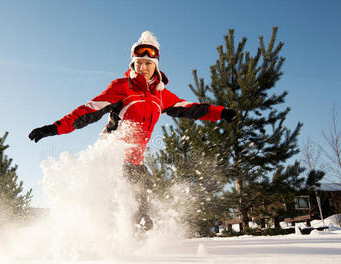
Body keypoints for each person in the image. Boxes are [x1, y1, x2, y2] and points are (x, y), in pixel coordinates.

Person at [29, 31, 236, 230]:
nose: (143, 68)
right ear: (133, 64)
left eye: (148, 63)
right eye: (139, 63)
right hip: (112, 157)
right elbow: (88, 111)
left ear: (156, 66)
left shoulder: (162, 96)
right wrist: (53, 128)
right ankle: (98, 239)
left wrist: (222, 113)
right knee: (126, 206)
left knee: (145, 206)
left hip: (135, 161)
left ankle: (139, 251)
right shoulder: (122, 87)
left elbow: (191, 109)